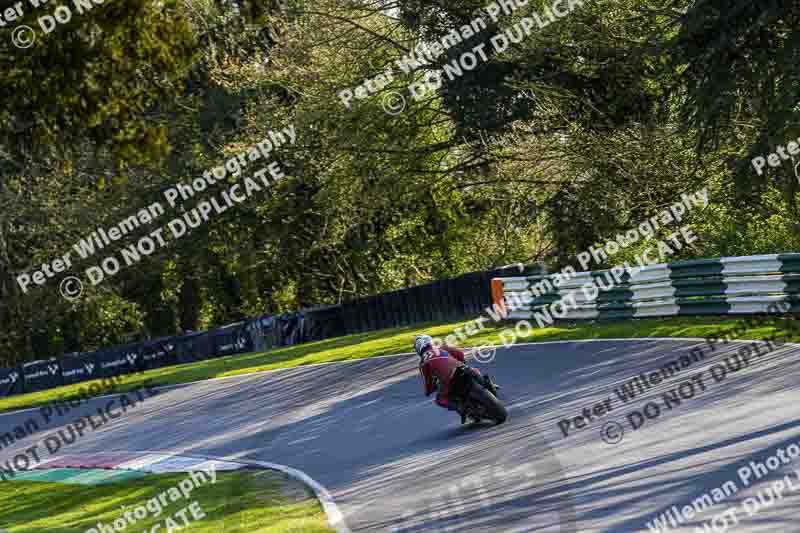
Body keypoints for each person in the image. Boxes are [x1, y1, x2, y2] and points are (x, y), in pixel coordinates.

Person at [414, 334, 495, 424]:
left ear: (418, 348)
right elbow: (459, 354)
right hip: (460, 367)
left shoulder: (423, 362)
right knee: (473, 370)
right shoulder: (441, 347)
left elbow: (427, 381)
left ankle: (460, 408)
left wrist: (428, 391)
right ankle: (487, 382)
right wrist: (462, 362)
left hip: (447, 380)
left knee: (440, 400)